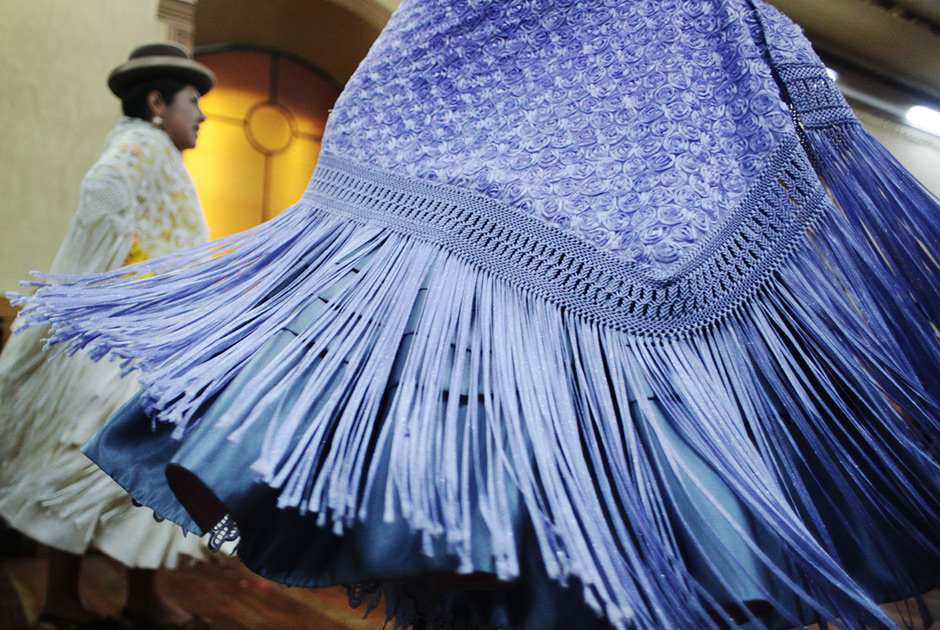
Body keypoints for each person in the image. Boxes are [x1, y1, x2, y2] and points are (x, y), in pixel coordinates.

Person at [14, 2, 940, 629]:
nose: (197, 116)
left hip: (604, 251)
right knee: (498, 533)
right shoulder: (132, 160)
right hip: (474, 278)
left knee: (558, 542)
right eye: (188, 103)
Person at [0, 42, 215, 630]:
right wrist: (124, 283)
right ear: (156, 102)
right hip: (125, 343)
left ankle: (121, 599)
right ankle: (71, 602)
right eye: (192, 100)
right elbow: (103, 193)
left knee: (129, 463)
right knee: (103, 461)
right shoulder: (139, 146)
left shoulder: (155, 151)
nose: (201, 114)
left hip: (144, 338)